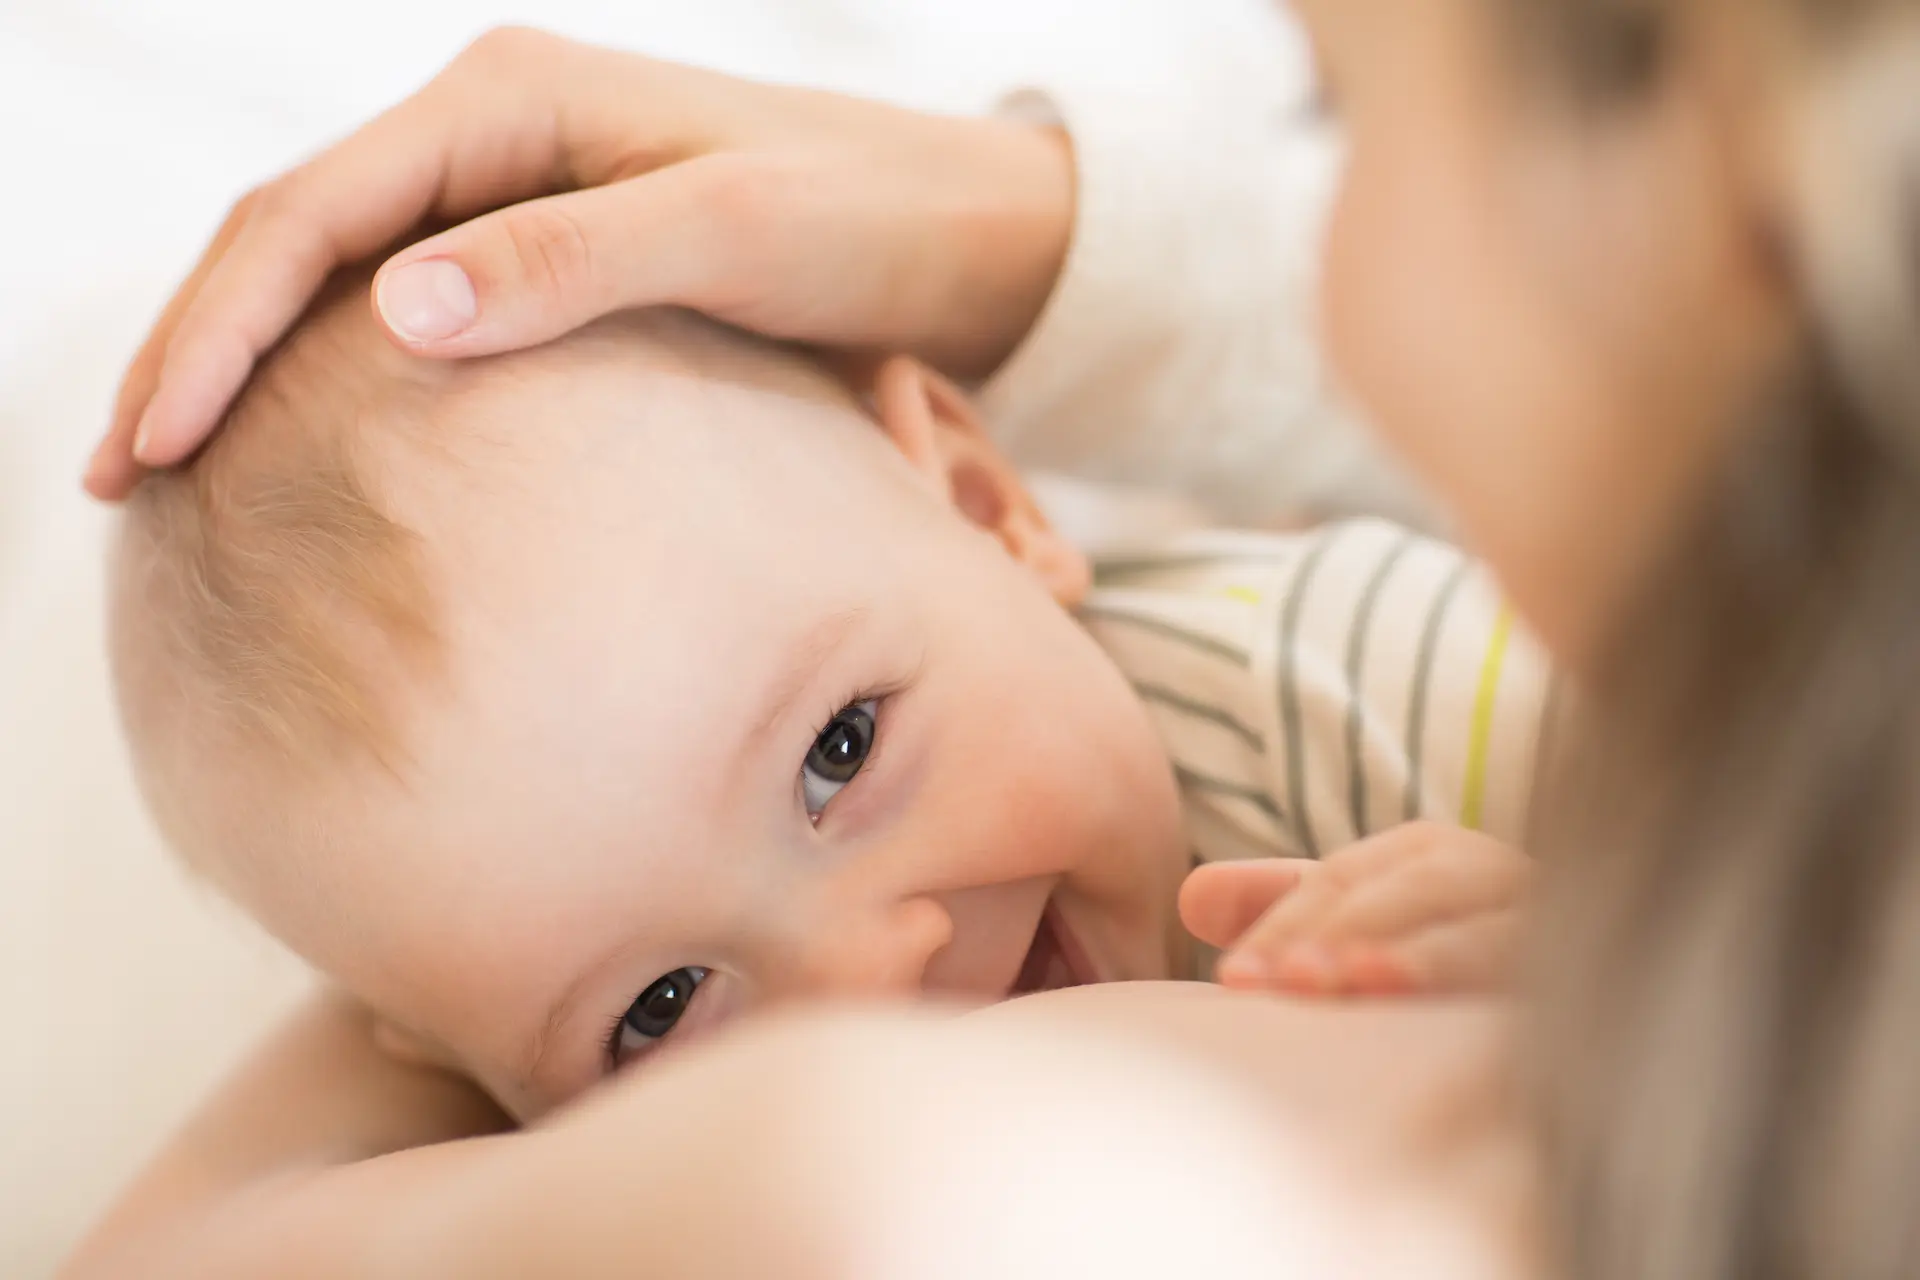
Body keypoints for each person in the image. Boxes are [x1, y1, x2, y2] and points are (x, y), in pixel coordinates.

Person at [79, 1, 1920, 1277]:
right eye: (657, 1009)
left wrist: (1575, 945)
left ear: (986, 507)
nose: (868, 978)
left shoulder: (1379, 683)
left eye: (841, 754)